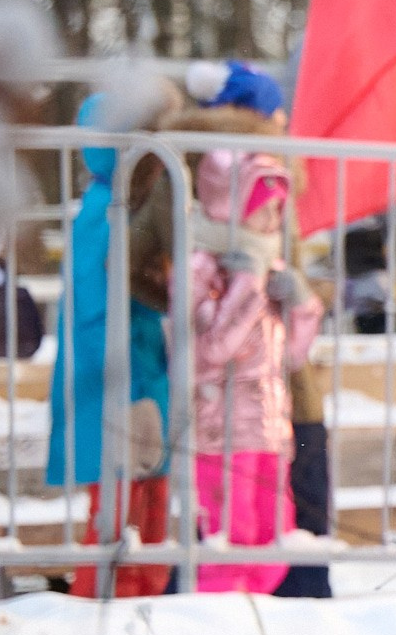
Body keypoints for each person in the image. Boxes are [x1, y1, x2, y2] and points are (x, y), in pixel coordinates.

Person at [45, 93, 175, 596]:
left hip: (139, 375)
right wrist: (130, 388)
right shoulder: (107, 209)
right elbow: (98, 312)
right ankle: (102, 603)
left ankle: (140, 603)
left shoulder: (122, 206)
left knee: (146, 511)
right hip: (121, 385)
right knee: (120, 518)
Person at [187, 149, 323, 593]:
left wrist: (302, 305)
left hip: (268, 430)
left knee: (272, 538)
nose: (270, 221)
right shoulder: (201, 268)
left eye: (276, 211)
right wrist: (247, 287)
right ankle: (219, 627)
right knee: (232, 538)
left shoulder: (268, 266)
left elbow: (292, 356)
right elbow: (211, 351)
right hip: (220, 431)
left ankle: (255, 628)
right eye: (261, 210)